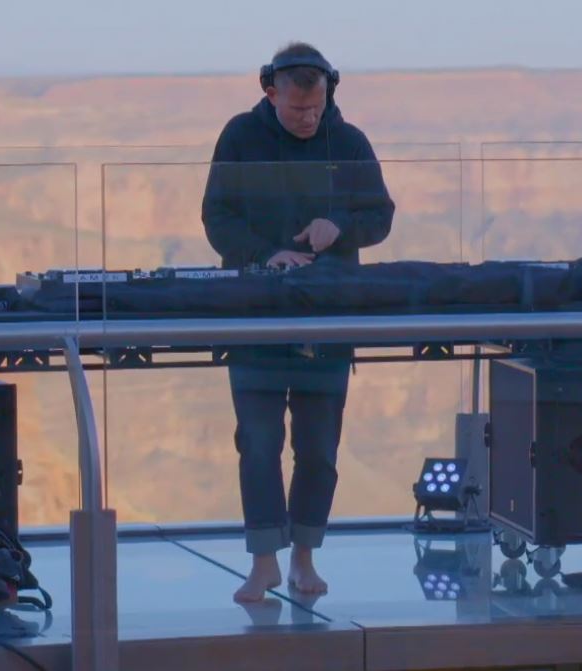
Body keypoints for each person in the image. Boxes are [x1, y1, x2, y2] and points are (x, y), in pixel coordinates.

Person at [201, 42, 395, 603]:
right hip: (255, 316)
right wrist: (266, 256)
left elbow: (380, 216)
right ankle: (263, 562)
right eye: (296, 109)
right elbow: (216, 216)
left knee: (319, 449)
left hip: (328, 318)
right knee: (258, 443)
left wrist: (340, 227)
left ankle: (304, 558)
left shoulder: (350, 142)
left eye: (316, 107)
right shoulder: (240, 136)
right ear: (270, 92)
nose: (309, 118)